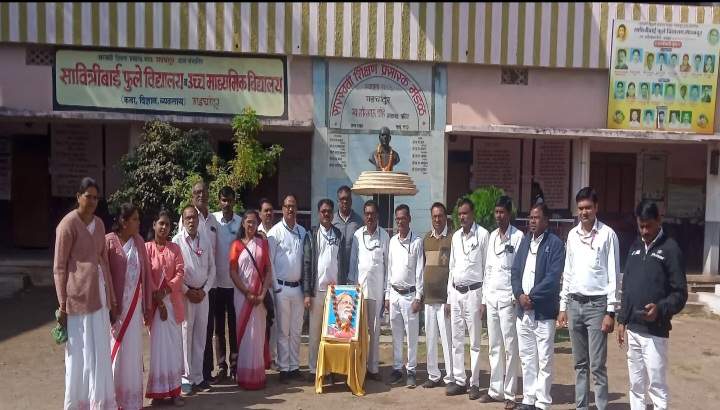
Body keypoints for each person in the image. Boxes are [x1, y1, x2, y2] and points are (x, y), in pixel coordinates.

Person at [617, 200, 688, 410]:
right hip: (634, 329)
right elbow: (627, 286)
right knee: (636, 385)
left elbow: (680, 293)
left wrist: (660, 308)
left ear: (659, 220)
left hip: (656, 332)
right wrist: (622, 319)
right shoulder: (635, 247)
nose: (645, 231)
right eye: (641, 226)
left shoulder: (671, 249)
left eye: (648, 226)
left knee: (656, 387)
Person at [54, 177, 118, 409]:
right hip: (77, 299)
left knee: (100, 351)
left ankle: (100, 403)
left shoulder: (99, 224)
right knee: (79, 355)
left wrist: (111, 297)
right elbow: (59, 267)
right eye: (88, 196)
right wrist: (62, 304)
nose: (92, 202)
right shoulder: (67, 225)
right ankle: (77, 404)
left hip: (99, 296)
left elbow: (104, 261)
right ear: (78, 197)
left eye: (96, 198)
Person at [557, 188, 620, 410]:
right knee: (579, 363)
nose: (584, 212)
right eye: (581, 208)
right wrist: (563, 306)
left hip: (597, 306)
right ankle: (581, 406)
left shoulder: (607, 235)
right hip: (574, 304)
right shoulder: (572, 235)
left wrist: (611, 311)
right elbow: (568, 272)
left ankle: (601, 407)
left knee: (597, 365)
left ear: (596, 208)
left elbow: (614, 275)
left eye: (588, 208)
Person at [511, 202, 565, 410]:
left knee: (544, 359)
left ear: (546, 221)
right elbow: (515, 272)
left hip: (543, 312)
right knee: (527, 358)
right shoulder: (525, 241)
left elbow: (553, 278)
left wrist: (531, 297)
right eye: (531, 218)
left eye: (536, 218)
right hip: (523, 311)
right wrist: (519, 295)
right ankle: (528, 399)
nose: (532, 221)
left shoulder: (555, 244)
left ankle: (542, 402)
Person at [479, 196, 523, 409]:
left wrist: (516, 296)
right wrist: (484, 299)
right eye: (496, 212)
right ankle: (495, 390)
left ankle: (510, 394)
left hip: (509, 300)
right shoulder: (492, 236)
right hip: (492, 298)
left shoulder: (518, 237)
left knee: (510, 347)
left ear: (509, 213)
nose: (498, 216)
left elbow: (520, 270)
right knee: (494, 345)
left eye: (502, 212)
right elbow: (487, 270)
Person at [106, 203, 151, 410]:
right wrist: (110, 304)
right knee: (115, 351)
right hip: (115, 311)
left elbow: (146, 275)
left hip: (134, 310)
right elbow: (104, 276)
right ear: (123, 222)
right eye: (134, 219)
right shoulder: (109, 242)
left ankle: (131, 402)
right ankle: (112, 401)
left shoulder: (139, 241)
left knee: (132, 352)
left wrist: (147, 306)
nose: (138, 223)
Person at [446, 198, 489, 400]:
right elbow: (451, 267)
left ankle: (475, 383)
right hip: (456, 293)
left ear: (473, 214)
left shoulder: (483, 235)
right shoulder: (455, 237)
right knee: (456, 339)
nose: (462, 217)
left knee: (474, 342)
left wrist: (484, 300)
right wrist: (449, 298)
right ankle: (459, 380)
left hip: (474, 293)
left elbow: (487, 269)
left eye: (465, 213)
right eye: (460, 214)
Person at [173, 205, 216, 395]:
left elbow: (212, 268)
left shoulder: (204, 239)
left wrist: (205, 290)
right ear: (183, 221)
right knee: (185, 336)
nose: (191, 221)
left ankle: (198, 377)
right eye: (188, 218)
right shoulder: (177, 241)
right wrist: (187, 290)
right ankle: (185, 378)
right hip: (186, 295)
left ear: (198, 220)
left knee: (200, 336)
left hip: (203, 295)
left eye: (194, 218)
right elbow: (174, 271)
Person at [145, 210, 185, 407]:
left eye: (167, 224)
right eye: (161, 223)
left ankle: (175, 392)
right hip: (154, 307)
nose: (164, 227)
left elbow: (180, 272)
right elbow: (145, 276)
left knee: (174, 349)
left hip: (172, 303)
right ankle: (158, 393)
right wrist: (158, 300)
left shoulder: (175, 249)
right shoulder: (146, 248)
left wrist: (166, 290)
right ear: (154, 225)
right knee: (157, 350)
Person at [229, 209, 273, 390]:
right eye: (248, 221)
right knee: (245, 335)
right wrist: (247, 292)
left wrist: (262, 294)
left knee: (258, 334)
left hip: (259, 297)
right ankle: (245, 376)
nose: (251, 225)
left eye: (254, 222)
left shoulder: (262, 244)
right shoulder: (236, 245)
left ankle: (258, 375)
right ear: (243, 223)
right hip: (242, 297)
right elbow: (233, 272)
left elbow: (268, 271)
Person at [267, 193, 307, 383]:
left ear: (297, 209)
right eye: (287, 206)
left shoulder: (302, 232)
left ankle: (294, 366)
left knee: (296, 329)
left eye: (293, 206)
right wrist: (276, 288)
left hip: (298, 288)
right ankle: (283, 368)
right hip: (281, 288)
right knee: (283, 331)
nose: (290, 209)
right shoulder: (274, 233)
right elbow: (270, 263)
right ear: (282, 209)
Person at [348, 200, 390, 381]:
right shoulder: (357, 235)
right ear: (364, 215)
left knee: (374, 331)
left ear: (377, 215)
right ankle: (359, 366)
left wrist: (387, 292)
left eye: (372, 213)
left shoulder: (385, 236)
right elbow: (353, 265)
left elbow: (388, 266)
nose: (370, 217)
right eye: (367, 213)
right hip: (359, 292)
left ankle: (373, 369)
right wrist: (352, 290)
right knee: (358, 332)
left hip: (377, 291)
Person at [303, 198, 344, 381]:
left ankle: (330, 369)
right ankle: (313, 369)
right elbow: (307, 264)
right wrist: (307, 293)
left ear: (332, 213)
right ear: (319, 213)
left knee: (333, 334)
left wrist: (342, 289)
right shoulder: (312, 234)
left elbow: (341, 263)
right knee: (314, 333)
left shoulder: (338, 234)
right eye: (323, 211)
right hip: (316, 292)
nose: (326, 214)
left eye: (329, 211)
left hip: (334, 293)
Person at [385, 204, 425, 388]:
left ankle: (411, 370)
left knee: (411, 336)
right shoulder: (392, 241)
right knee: (396, 335)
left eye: (403, 218)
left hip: (410, 296)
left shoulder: (417, 242)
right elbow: (389, 269)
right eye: (397, 219)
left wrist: (418, 297)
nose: (400, 222)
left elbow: (420, 271)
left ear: (409, 219)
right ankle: (397, 368)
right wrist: (387, 296)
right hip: (394, 294)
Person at [187, 181, 220, 386]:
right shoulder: (188, 218)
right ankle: (189, 376)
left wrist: (206, 287)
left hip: (210, 284)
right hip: (190, 289)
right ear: (192, 196)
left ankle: (204, 373)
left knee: (206, 331)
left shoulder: (214, 219)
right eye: (197, 192)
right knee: (189, 333)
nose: (201, 195)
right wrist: (190, 289)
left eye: (203, 191)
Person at [421, 203, 454, 389]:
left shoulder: (452, 238)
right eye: (434, 216)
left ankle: (450, 377)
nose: (437, 219)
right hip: (429, 298)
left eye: (440, 215)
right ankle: (433, 375)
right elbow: (423, 266)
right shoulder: (426, 238)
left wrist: (450, 298)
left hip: (444, 299)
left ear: (445, 217)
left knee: (447, 340)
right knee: (431, 339)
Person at [211, 187, 242, 380]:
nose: (226, 204)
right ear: (219, 200)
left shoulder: (240, 222)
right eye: (223, 200)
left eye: (229, 200)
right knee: (218, 328)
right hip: (216, 284)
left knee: (234, 327)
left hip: (235, 285)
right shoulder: (212, 220)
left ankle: (235, 366)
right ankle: (221, 366)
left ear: (234, 201)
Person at [256, 197, 276, 368]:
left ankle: (273, 357)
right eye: (265, 210)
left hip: (276, 286)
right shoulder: (255, 233)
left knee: (274, 323)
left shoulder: (278, 233)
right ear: (259, 213)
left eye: (271, 210)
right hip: (259, 286)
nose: (268, 213)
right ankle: (261, 358)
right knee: (261, 323)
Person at [333, 185, 363, 285]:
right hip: (336, 272)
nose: (345, 201)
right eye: (342, 199)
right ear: (338, 201)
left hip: (354, 272)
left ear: (351, 201)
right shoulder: (332, 221)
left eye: (347, 199)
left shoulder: (359, 221)